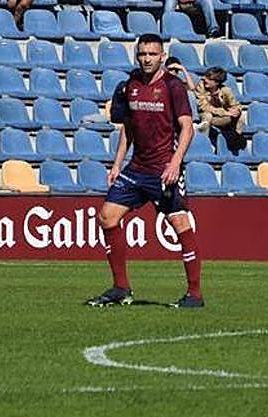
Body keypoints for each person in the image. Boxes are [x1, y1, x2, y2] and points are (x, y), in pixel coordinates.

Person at [86, 33, 203, 309]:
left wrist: (175, 163)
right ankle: (120, 288)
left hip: (164, 169)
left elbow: (187, 128)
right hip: (136, 168)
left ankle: (195, 294)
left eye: (152, 54)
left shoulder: (173, 86)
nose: (147, 59)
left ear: (162, 56)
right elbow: (127, 129)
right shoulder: (131, 85)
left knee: (180, 225)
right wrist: (117, 164)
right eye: (142, 54)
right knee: (107, 217)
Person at [193, 66, 244, 155]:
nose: (205, 79)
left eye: (209, 79)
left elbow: (236, 105)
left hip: (220, 118)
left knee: (240, 116)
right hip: (206, 116)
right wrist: (225, 112)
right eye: (206, 77)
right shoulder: (201, 87)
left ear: (216, 82)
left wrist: (236, 111)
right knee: (208, 115)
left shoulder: (226, 90)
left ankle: (236, 139)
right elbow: (204, 107)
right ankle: (204, 142)